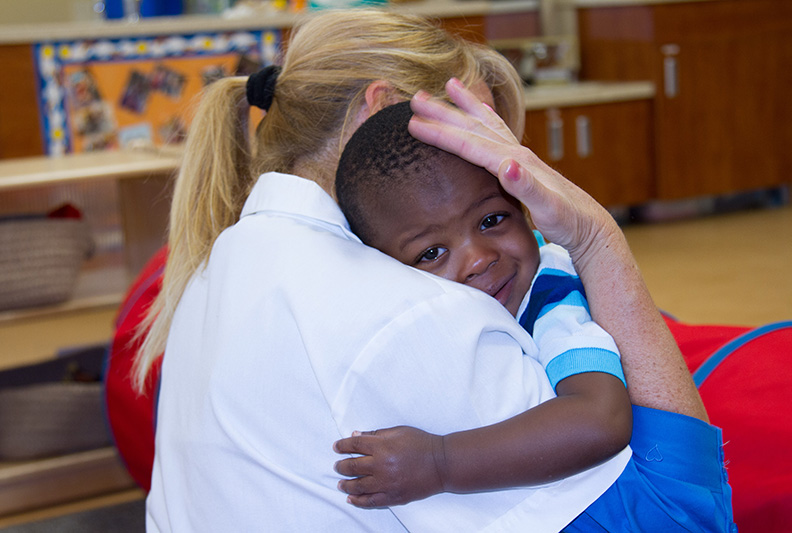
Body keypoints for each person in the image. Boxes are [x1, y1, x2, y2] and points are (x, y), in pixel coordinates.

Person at [135, 8, 728, 532]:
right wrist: (598, 240)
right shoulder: (405, 309)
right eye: (480, 136)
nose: (501, 165)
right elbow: (678, 515)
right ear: (386, 112)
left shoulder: (218, 269)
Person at [332, 101, 736, 531]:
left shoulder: (550, 292)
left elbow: (600, 419)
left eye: (492, 219)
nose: (479, 259)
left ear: (525, 210)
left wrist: (439, 461)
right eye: (432, 252)